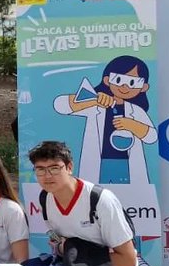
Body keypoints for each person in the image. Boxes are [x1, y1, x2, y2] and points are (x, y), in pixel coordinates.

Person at [52, 55, 155, 184]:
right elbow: (60, 105)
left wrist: (132, 125)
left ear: (144, 87)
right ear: (107, 80)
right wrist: (92, 100)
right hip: (98, 165)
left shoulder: (136, 111)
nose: (124, 87)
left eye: (132, 82)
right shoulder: (96, 105)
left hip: (127, 166)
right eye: (118, 79)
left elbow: (151, 137)